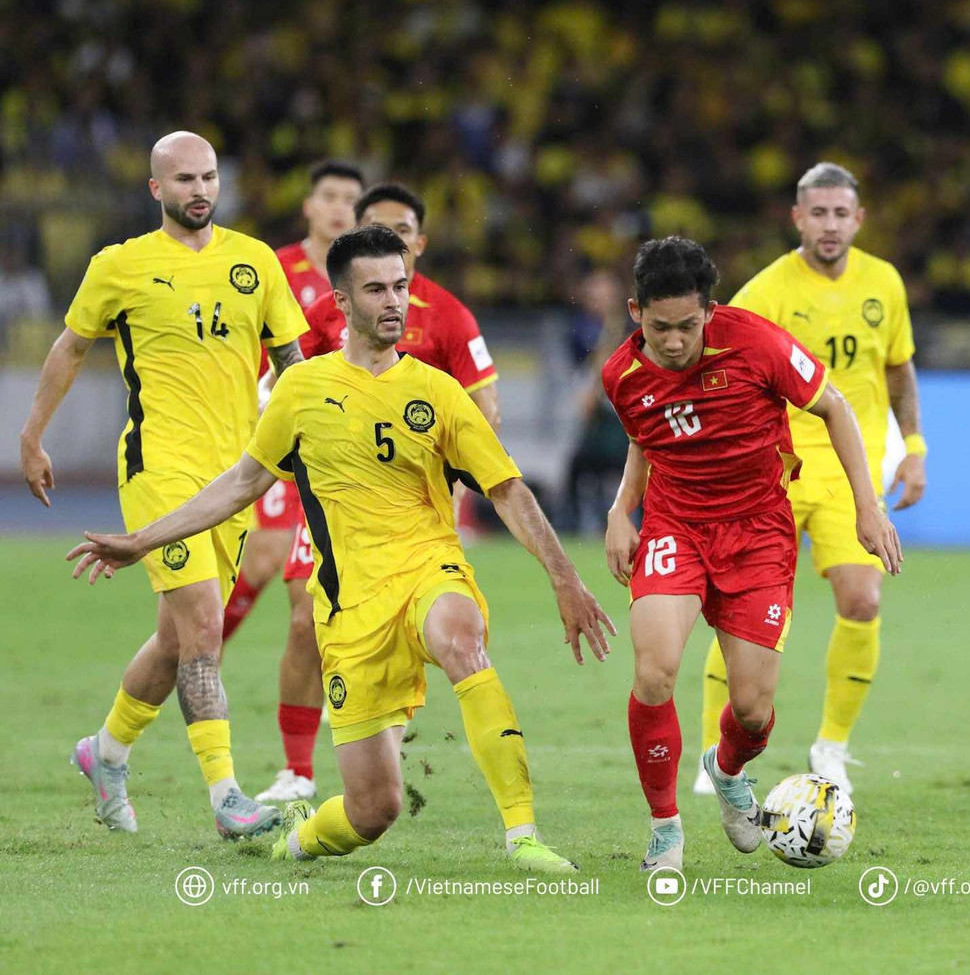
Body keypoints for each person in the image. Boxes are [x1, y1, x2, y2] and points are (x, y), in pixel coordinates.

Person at [68, 225, 613, 873]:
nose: (394, 301)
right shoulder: (301, 391)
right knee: (373, 810)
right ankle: (296, 839)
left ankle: (523, 835)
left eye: (401, 286)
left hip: (428, 570)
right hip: (350, 611)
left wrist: (565, 578)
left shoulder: (437, 391)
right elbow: (240, 485)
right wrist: (142, 539)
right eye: (376, 289)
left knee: (463, 639)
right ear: (341, 302)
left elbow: (508, 490)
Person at [20, 131, 308, 838]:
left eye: (208, 176)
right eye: (184, 179)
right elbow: (71, 346)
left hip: (236, 478)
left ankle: (105, 752)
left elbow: (292, 362)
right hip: (159, 467)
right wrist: (32, 435)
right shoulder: (120, 265)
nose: (199, 190)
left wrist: (315, 435)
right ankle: (227, 797)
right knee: (205, 625)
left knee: (177, 642)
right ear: (156, 188)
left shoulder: (255, 261)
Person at [602, 236, 902, 872]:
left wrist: (867, 506)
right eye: (660, 328)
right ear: (636, 313)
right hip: (676, 526)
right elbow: (644, 438)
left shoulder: (756, 343)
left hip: (759, 533)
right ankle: (664, 828)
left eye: (688, 326)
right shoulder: (620, 377)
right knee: (654, 672)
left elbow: (835, 407)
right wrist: (621, 510)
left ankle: (727, 768)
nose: (675, 342)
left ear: (709, 312)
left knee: (752, 711)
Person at [253, 182, 501, 803]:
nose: (394, 239)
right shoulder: (328, 314)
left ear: (420, 242)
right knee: (304, 622)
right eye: (378, 226)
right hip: (334, 502)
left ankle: (380, 750)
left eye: (403, 229)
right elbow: (285, 387)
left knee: (426, 631)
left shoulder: (449, 316)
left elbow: (485, 410)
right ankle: (297, 770)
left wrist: (454, 470)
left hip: (414, 511)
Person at [695, 162, 923, 795]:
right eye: (818, 213)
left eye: (840, 214)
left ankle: (832, 747)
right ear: (797, 218)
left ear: (858, 219)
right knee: (741, 612)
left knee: (863, 599)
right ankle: (715, 752)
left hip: (850, 471)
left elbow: (898, 369)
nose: (829, 225)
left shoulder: (884, 282)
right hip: (772, 470)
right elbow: (716, 372)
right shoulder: (765, 293)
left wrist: (914, 447)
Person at [223, 160, 364, 646]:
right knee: (266, 553)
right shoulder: (275, 269)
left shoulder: (367, 278)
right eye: (330, 197)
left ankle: (334, 681)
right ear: (308, 206)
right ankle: (199, 652)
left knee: (327, 580)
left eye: (350, 200)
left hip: (342, 444)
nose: (339, 208)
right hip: (276, 430)